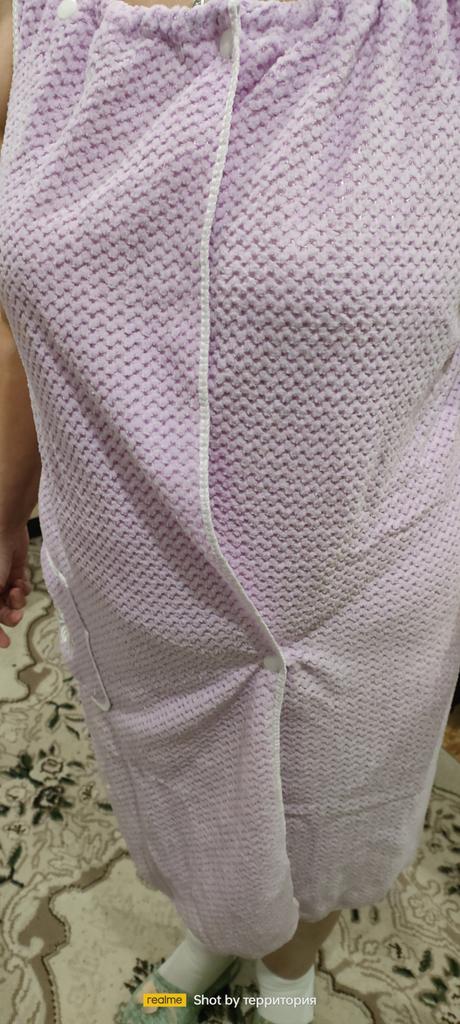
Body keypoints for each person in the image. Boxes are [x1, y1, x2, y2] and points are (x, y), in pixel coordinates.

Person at [1, 1, 459, 1022]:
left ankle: (289, 980)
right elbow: (20, 317)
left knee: (331, 828)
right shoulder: (33, 31)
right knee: (191, 815)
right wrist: (4, 500)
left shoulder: (431, 40)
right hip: (137, 598)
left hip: (367, 591)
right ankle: (216, 932)